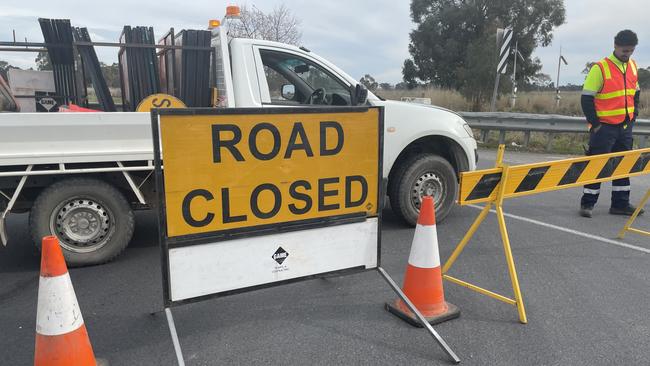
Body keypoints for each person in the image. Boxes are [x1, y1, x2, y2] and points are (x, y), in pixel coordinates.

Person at [579, 29, 644, 218]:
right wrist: (596, 124)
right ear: (615, 46)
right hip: (604, 128)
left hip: (624, 126)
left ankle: (620, 204)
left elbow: (635, 92)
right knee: (597, 165)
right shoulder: (600, 68)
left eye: (631, 51)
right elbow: (586, 99)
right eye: (625, 51)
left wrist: (634, 114)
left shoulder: (632, 66)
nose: (628, 54)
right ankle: (587, 204)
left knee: (623, 166)